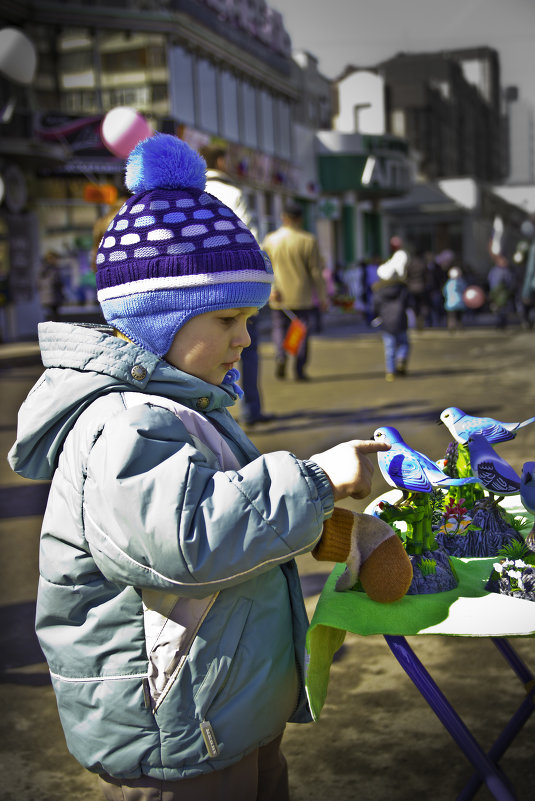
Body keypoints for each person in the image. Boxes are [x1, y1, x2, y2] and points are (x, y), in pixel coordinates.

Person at [8, 134, 390, 801]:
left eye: (249, 317)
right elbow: (189, 543)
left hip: (223, 705)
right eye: (228, 317)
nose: (246, 336)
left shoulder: (184, 408)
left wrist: (332, 530)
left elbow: (237, 526)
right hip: (178, 728)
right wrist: (314, 479)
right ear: (159, 321)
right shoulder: (127, 424)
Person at [200, 144, 270, 426]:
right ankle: (251, 409)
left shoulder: (188, 195)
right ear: (220, 160)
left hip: (196, 287)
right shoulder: (233, 194)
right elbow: (251, 241)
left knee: (202, 351)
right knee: (245, 348)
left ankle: (208, 415)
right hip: (234, 287)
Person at [262, 201, 328, 381]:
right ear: (300, 219)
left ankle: (280, 355)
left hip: (278, 296)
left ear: (284, 218)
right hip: (302, 295)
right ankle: (299, 369)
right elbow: (315, 271)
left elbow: (265, 267)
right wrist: (322, 296)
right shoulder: (308, 240)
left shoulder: (270, 239)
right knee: (301, 332)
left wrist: (271, 289)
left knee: (279, 328)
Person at [372, 255, 411, 382]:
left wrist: (375, 316)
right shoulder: (402, 288)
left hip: (386, 323)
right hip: (400, 320)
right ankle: (401, 358)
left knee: (389, 348)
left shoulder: (378, 290)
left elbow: (375, 306)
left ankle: (390, 372)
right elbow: (408, 303)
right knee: (404, 344)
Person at [487, 254, 515, 330]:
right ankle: (499, 323)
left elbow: (510, 282)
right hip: (496, 293)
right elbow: (490, 281)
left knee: (504, 309)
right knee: (498, 309)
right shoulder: (494, 271)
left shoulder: (507, 271)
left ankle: (503, 324)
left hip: (504, 293)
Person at [37, 250, 64, 321]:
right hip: (51, 296)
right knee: (53, 317)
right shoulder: (49, 269)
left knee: (53, 316)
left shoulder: (45, 268)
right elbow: (53, 281)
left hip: (52, 296)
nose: (56, 260)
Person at [442, 266, 467, 331]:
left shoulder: (448, 283)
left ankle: (451, 327)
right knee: (459, 317)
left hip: (450, 303)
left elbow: (444, 292)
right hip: (460, 303)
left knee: (451, 317)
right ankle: (460, 326)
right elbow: (465, 291)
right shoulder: (461, 282)